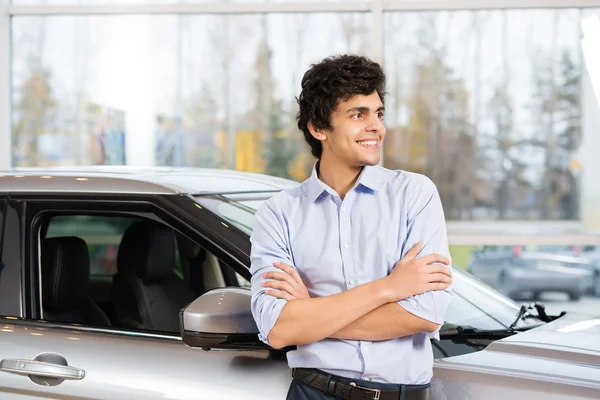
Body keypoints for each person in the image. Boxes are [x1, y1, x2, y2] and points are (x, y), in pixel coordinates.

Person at [250, 54, 453, 400]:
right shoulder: (278, 214)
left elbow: (425, 314)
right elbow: (279, 328)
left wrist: (312, 314)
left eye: (378, 113)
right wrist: (390, 288)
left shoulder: (414, 195)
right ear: (318, 128)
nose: (376, 127)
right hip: (314, 392)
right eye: (358, 114)